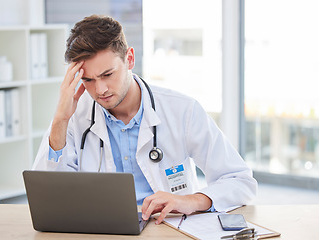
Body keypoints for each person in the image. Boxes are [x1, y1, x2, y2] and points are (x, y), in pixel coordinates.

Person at [32, 15, 257, 225]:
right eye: (88, 80)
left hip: (169, 227)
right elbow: (48, 198)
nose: (100, 90)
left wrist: (191, 200)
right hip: (101, 229)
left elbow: (241, 181)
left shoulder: (182, 110)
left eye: (107, 75)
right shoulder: (73, 115)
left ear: (129, 59)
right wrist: (60, 119)